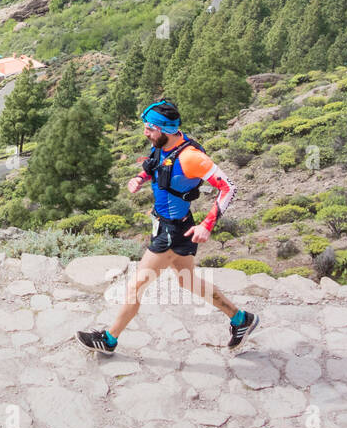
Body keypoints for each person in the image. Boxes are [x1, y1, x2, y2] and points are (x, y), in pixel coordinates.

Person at [77, 99, 258, 354]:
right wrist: (140, 178)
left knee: (135, 286)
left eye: (149, 129)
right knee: (188, 281)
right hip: (175, 227)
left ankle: (109, 339)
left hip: (172, 233)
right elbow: (156, 167)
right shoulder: (164, 145)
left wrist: (207, 225)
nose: (145, 133)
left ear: (164, 130)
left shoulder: (191, 157)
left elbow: (229, 187)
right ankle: (241, 320)